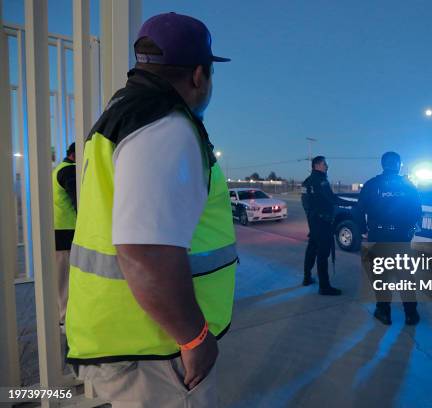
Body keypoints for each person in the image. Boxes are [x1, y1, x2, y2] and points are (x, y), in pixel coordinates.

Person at [65, 13, 237, 407]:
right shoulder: (165, 127)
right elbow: (146, 252)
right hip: (157, 349)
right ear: (199, 75)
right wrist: (195, 338)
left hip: (131, 335)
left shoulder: (125, 116)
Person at [358, 152, 422, 325]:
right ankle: (411, 314)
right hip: (401, 237)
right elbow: (417, 209)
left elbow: (358, 210)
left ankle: (384, 312)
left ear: (382, 164)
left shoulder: (372, 184)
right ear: (399, 165)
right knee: (405, 275)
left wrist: (364, 231)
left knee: (381, 275)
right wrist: (410, 229)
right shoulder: (408, 185)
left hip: (378, 236)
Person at [302, 156, 351, 295]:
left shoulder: (307, 182)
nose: (327, 166)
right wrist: (353, 203)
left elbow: (305, 203)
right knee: (323, 255)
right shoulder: (321, 181)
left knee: (311, 250)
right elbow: (333, 199)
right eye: (325, 164)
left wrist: (311, 218)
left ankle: (306, 277)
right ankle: (324, 286)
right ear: (317, 165)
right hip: (323, 223)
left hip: (313, 222)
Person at [52, 142, 77, 328]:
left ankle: (62, 317)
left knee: (62, 278)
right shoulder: (69, 172)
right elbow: (79, 201)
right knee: (66, 279)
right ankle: (64, 319)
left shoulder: (58, 169)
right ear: (74, 155)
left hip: (59, 231)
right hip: (66, 232)